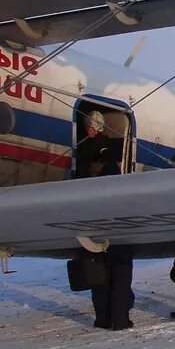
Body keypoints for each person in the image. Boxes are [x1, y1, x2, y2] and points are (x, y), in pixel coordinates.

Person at [71, 109, 134, 329]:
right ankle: (119, 319)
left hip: (92, 222)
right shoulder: (110, 161)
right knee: (120, 274)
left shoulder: (81, 154)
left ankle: (104, 318)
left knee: (99, 275)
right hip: (116, 224)